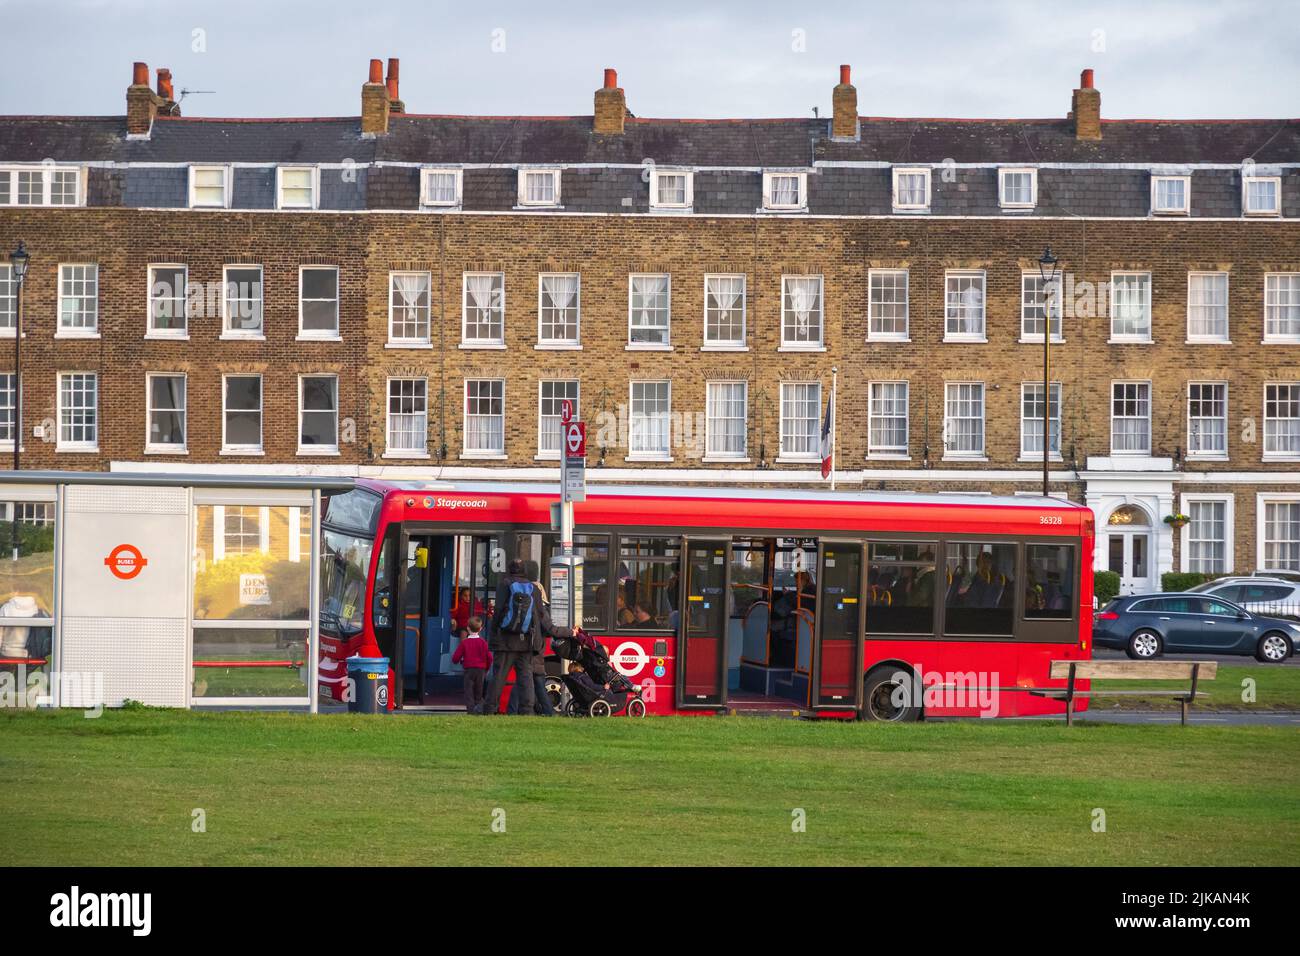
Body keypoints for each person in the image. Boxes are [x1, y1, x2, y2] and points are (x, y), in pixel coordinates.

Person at [486, 559, 574, 715]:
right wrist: (569, 632)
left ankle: (490, 708)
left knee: (499, 676)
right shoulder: (534, 589)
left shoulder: (504, 585)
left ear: (509, 570)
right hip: (527, 642)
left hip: (505, 642)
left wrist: (493, 635)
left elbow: (498, 611)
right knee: (526, 677)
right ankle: (527, 710)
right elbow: (542, 617)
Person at [451, 615, 492, 714]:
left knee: (469, 692)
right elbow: (490, 658)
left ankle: (471, 711)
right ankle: (479, 710)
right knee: (479, 692)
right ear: (481, 628)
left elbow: (455, 658)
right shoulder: (483, 643)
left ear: (468, 628)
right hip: (481, 670)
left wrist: (458, 661)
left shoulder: (465, 643)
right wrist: (486, 668)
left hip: (469, 670)